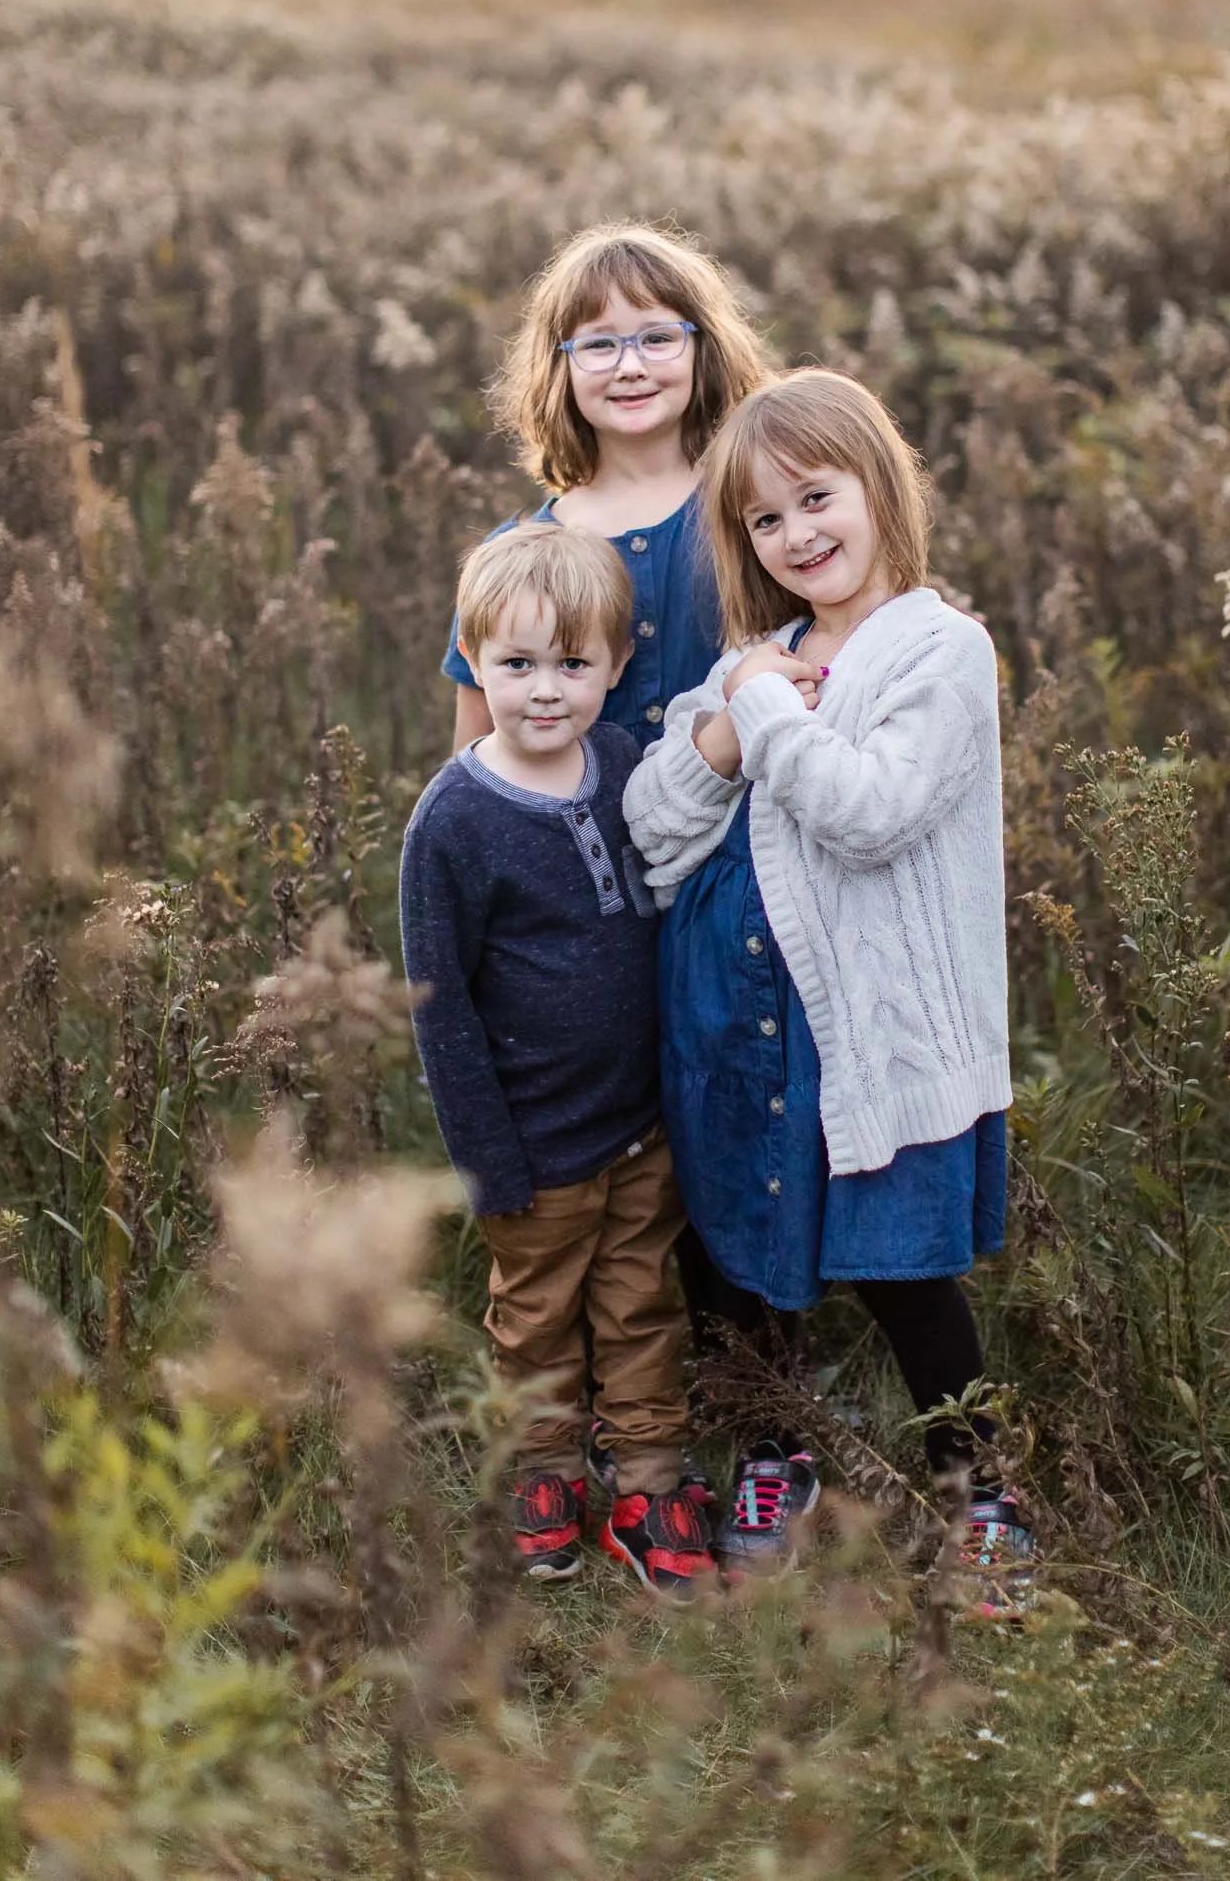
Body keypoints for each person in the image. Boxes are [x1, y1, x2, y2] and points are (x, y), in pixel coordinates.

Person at [622, 369, 1035, 1616]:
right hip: (728, 1018)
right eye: (764, 521)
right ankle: (774, 1449)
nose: (798, 534)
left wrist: (769, 724)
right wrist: (726, 730)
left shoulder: (937, 648)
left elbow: (870, 816)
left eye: (817, 497)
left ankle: (985, 1494)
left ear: (876, 487)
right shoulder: (757, 662)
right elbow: (653, 826)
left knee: (898, 1260)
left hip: (866, 1028)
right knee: (732, 1248)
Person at [400, 523, 714, 1596]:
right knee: (536, 1317)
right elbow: (438, 1009)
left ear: (616, 667)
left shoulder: (620, 760)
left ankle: (650, 1479)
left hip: (639, 1126)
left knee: (639, 1306)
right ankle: (542, 1469)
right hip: (531, 1141)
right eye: (515, 664)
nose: (544, 691)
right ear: (473, 663)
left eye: (573, 665)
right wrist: (486, 1159)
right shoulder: (453, 820)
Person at [442, 223, 769, 754]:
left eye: (658, 338)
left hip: (750, 832)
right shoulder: (513, 559)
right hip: (575, 839)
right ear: (559, 366)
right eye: (599, 345)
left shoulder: (757, 511)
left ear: (702, 348)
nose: (631, 367)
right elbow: (474, 769)